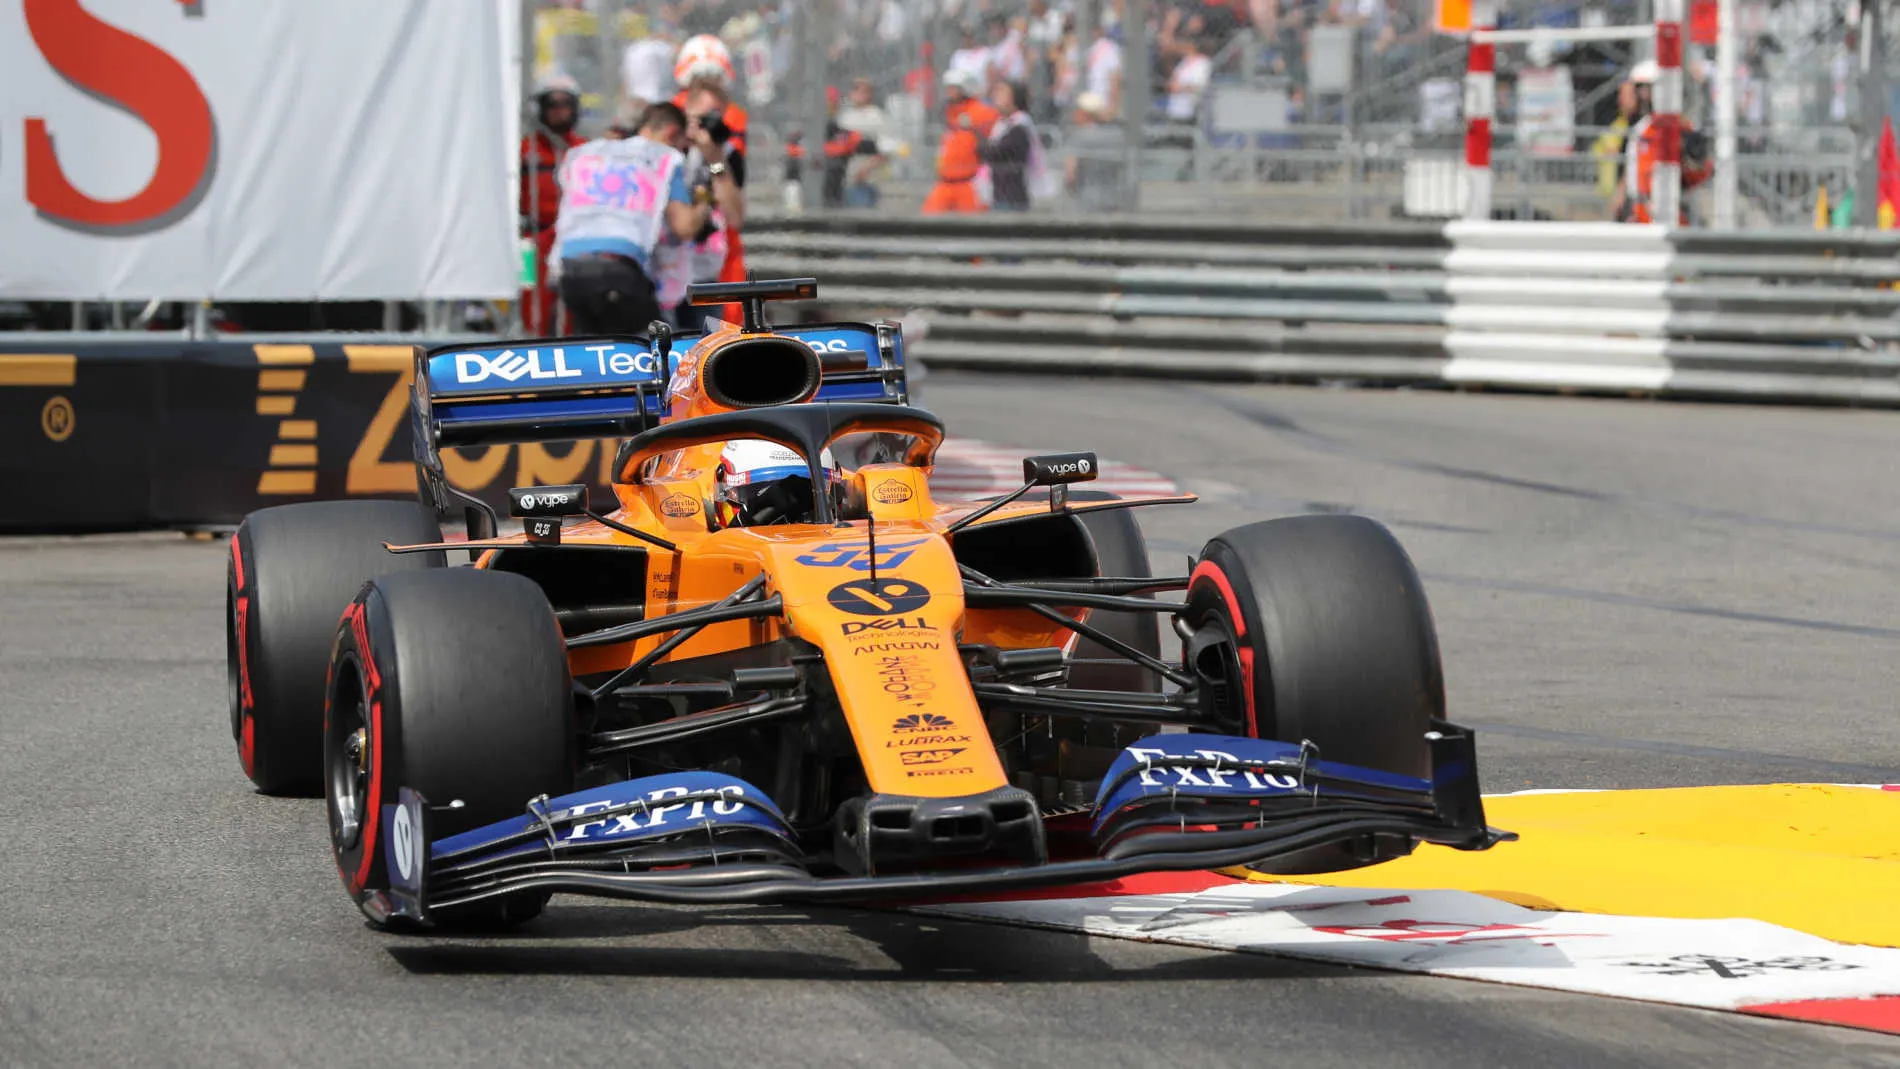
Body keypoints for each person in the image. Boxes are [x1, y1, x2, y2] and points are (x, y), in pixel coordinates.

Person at [551, 103, 727, 334]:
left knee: (595, 348)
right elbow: (684, 227)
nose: (682, 151)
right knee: (652, 346)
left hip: (568, 267)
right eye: (683, 145)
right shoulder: (663, 158)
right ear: (672, 133)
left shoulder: (587, 152)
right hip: (618, 268)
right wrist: (705, 199)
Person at [671, 35, 750, 322]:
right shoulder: (664, 148)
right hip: (665, 268)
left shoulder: (724, 149)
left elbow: (735, 216)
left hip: (707, 264)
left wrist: (714, 157)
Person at [520, 79, 586, 335]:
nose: (561, 112)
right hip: (532, 238)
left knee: (571, 305)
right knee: (531, 300)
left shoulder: (582, 149)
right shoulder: (526, 148)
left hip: (572, 239)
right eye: (553, 105)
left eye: (567, 105)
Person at [1613, 60, 1714, 225]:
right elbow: (1633, 168)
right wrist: (1622, 197)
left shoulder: (1680, 127)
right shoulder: (1642, 127)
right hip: (1640, 210)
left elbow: (1698, 172)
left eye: (1646, 89)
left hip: (1669, 209)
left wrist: (1696, 158)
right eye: (1641, 90)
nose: (1642, 96)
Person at [922, 69, 998, 214]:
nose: (949, 92)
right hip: (945, 180)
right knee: (928, 220)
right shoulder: (951, 112)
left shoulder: (982, 112)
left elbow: (990, 142)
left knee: (973, 226)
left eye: (953, 88)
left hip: (969, 181)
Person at [980, 81, 1043, 212]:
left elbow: (995, 152)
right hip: (998, 193)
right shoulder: (1001, 125)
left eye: (1003, 92)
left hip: (1011, 197)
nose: (997, 96)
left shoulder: (1019, 127)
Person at [835, 76, 892, 208]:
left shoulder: (877, 117)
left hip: (865, 181)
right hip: (844, 180)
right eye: (855, 89)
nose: (858, 94)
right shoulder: (845, 117)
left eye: (863, 90)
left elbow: (885, 151)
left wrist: (865, 169)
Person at [1065, 91, 1125, 213]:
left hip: (1085, 200)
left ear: (1084, 113)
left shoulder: (1078, 136)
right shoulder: (1117, 135)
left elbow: (1070, 173)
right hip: (1112, 198)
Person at [621, 18, 677, 113]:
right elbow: (676, 54)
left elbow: (625, 79)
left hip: (635, 97)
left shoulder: (633, 49)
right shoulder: (659, 48)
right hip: (656, 98)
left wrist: (625, 101)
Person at [1164, 34, 1214, 123]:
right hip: (1176, 110)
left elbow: (1200, 86)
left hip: (1192, 110)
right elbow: (1173, 80)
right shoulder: (1183, 63)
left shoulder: (1203, 63)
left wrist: (1180, 88)